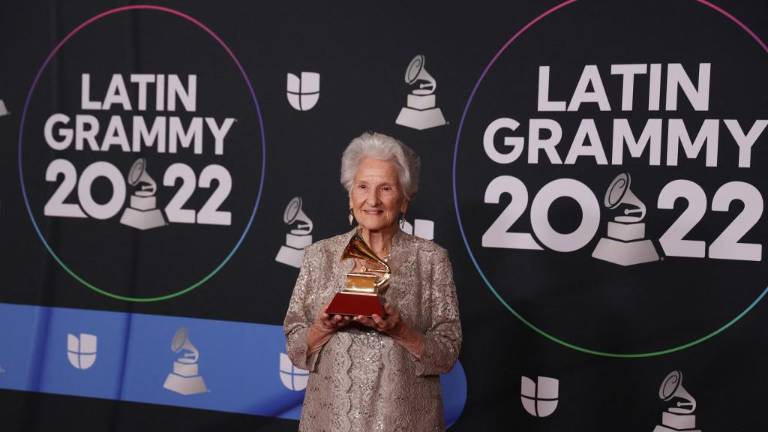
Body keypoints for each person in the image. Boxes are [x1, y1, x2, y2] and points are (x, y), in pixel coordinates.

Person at [283, 132, 462, 431]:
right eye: (363, 186)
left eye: (386, 188)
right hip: (331, 421)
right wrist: (322, 327)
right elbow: (295, 347)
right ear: (350, 195)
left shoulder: (432, 260)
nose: (373, 200)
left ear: (404, 199)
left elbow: (447, 355)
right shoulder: (319, 256)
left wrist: (401, 330)